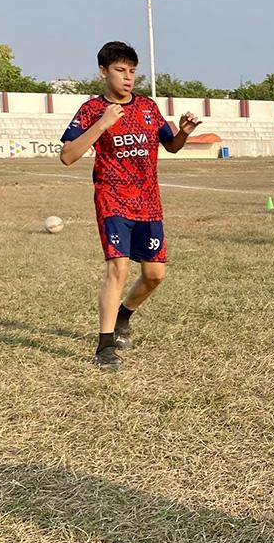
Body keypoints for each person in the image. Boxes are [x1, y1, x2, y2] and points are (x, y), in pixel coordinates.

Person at [59, 41, 202, 370]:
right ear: (103, 71)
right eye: (120, 70)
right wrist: (102, 124)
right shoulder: (92, 110)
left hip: (148, 202)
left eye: (132, 71)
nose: (127, 77)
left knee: (154, 275)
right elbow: (67, 156)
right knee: (118, 269)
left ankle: (124, 315)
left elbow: (172, 146)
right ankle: (105, 346)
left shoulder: (148, 107)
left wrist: (184, 133)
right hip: (112, 199)